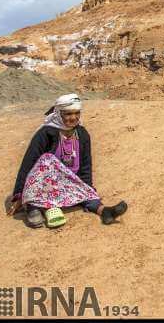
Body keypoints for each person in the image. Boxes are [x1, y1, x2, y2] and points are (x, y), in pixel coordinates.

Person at [7, 94, 128, 228]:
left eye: (77, 113)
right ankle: (32, 207)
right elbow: (28, 163)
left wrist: (87, 187)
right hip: (44, 184)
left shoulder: (82, 134)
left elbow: (86, 164)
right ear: (59, 114)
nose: (73, 117)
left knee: (87, 194)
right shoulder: (46, 133)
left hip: (69, 180)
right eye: (68, 114)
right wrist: (19, 194)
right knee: (47, 159)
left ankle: (105, 212)